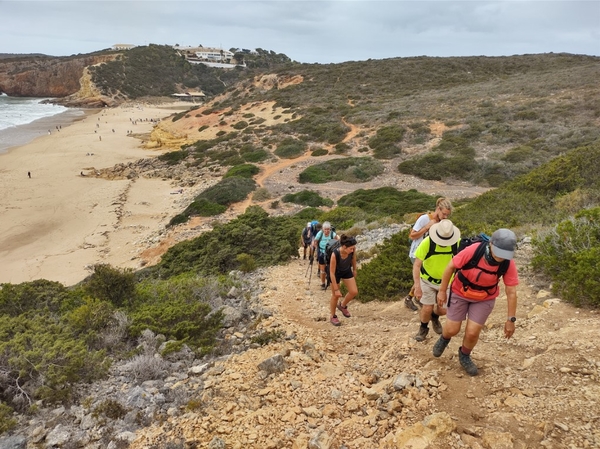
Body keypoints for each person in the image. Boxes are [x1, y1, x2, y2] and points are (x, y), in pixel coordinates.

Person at [432, 229, 519, 376]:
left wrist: (511, 319)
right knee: (452, 329)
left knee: (472, 333)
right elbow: (450, 267)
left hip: (485, 297)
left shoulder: (508, 264)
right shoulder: (474, 250)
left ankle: (464, 355)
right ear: (490, 244)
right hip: (460, 292)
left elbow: (511, 292)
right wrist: (442, 291)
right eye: (499, 252)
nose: (501, 257)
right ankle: (444, 338)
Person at [412, 219, 461, 342]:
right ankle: (423, 328)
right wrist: (417, 286)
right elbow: (417, 265)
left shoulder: (457, 243)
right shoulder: (427, 243)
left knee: (443, 310)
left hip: (447, 282)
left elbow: (461, 263)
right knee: (427, 307)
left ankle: (434, 316)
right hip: (427, 280)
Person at [405, 197, 453, 311]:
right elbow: (412, 235)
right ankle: (410, 298)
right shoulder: (424, 219)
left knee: (425, 277)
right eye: (444, 214)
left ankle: (414, 298)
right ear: (438, 209)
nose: (445, 217)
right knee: (423, 277)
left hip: (430, 254)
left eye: (447, 215)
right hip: (418, 252)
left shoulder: (442, 222)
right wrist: (426, 227)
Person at [329, 234, 358, 326]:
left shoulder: (352, 250)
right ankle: (333, 316)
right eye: (351, 248)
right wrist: (337, 289)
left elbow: (353, 258)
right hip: (336, 273)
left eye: (353, 248)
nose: (352, 250)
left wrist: (354, 269)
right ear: (344, 247)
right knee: (335, 296)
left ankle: (342, 305)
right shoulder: (335, 254)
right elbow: (332, 273)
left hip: (346, 270)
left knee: (353, 291)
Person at [312, 222, 337, 290]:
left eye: (328, 229)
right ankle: (323, 283)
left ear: (330, 229)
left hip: (330, 253)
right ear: (323, 229)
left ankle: (330, 282)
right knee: (322, 270)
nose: (326, 231)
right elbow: (315, 241)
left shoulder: (333, 234)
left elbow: (338, 241)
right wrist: (316, 248)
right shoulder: (320, 234)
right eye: (325, 229)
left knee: (331, 269)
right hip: (322, 252)